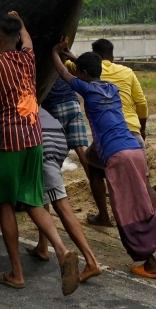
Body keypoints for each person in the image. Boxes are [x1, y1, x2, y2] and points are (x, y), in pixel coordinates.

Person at [0, 12, 80, 296]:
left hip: (10, 140)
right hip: (35, 138)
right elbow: (28, 40)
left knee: (7, 205)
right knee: (33, 200)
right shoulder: (28, 58)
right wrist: (21, 20)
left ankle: (16, 273)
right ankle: (61, 249)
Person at [52, 42, 156, 279]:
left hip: (117, 155)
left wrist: (53, 53)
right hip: (134, 150)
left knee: (126, 209)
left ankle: (151, 262)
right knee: (141, 200)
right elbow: (81, 68)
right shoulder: (111, 87)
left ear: (83, 74)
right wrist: (72, 56)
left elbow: (63, 72)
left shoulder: (87, 89)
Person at [79, 38, 156, 226]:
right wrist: (142, 129)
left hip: (110, 137)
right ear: (112, 56)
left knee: (94, 169)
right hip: (133, 134)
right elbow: (141, 103)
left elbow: (71, 64)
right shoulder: (127, 72)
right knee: (144, 182)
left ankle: (104, 217)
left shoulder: (90, 74)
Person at [26, 104, 104, 283]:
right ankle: (42, 246)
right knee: (44, 194)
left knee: (58, 204)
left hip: (42, 139)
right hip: (56, 135)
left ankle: (90, 261)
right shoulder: (25, 90)